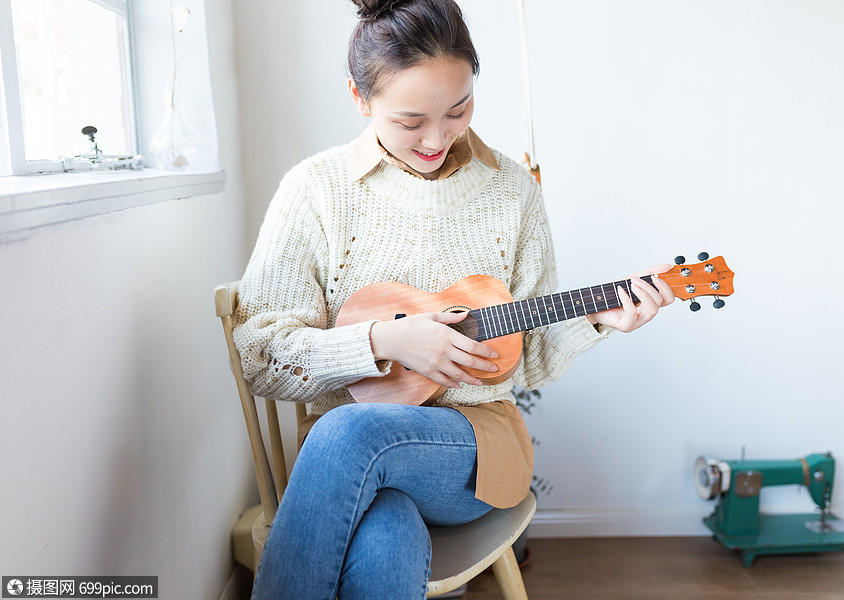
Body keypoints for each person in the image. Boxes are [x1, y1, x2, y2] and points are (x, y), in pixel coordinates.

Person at [233, 0, 675, 598]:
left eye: (458, 109)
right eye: (410, 120)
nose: (437, 138)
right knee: (385, 535)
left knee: (346, 435)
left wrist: (600, 319)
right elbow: (260, 356)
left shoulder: (509, 191)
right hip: (352, 460)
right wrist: (385, 341)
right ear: (359, 98)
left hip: (471, 451)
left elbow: (534, 354)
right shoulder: (314, 191)